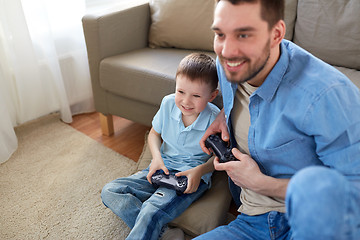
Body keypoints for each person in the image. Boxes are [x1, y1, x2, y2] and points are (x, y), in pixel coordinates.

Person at [195, 0, 360, 239]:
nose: (228, 50)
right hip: (252, 221)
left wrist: (261, 183)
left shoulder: (326, 95)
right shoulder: (228, 63)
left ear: (276, 34)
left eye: (244, 35)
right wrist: (224, 115)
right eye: (220, 34)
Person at [101, 53, 220, 240]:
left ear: (212, 95)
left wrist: (200, 171)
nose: (186, 101)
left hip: (188, 178)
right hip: (160, 168)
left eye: (196, 95)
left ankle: (151, 228)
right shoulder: (167, 104)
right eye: (181, 92)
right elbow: (154, 134)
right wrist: (156, 158)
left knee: (151, 208)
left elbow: (220, 157)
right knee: (110, 191)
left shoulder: (215, 119)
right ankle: (164, 233)